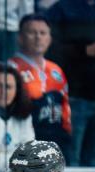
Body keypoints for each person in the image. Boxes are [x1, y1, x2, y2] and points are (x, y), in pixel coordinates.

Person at [46, 0, 95, 167]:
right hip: (74, 98)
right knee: (70, 158)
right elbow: (50, 50)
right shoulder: (61, 9)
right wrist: (85, 50)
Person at [7, 14, 72, 156]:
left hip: (56, 141)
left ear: (49, 38)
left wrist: (67, 132)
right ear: (20, 38)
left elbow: (65, 106)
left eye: (43, 33)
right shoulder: (11, 68)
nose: (38, 37)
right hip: (26, 141)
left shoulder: (56, 69)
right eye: (32, 32)